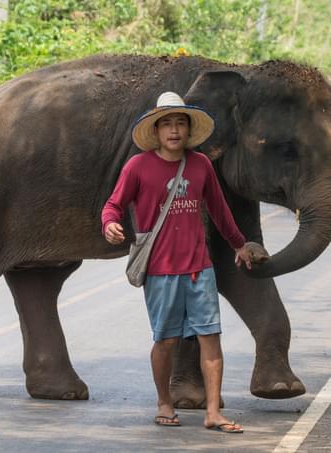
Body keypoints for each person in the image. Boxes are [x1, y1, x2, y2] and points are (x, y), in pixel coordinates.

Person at [101, 91, 254, 434]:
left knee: (210, 337)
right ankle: (163, 402)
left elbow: (218, 210)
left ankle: (213, 412)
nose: (173, 130)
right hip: (160, 271)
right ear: (156, 131)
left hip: (200, 269)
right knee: (166, 340)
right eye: (166, 124)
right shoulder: (137, 166)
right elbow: (113, 205)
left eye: (180, 123)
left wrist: (239, 244)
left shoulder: (200, 165)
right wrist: (109, 223)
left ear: (188, 130)